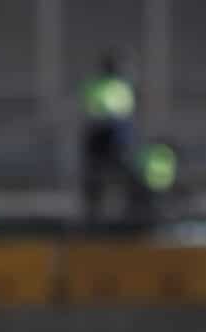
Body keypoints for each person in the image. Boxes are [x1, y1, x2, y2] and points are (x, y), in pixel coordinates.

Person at [80, 52, 139, 227]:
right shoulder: (107, 86)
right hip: (103, 137)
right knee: (96, 179)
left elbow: (124, 116)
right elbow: (93, 112)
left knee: (119, 178)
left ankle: (124, 213)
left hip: (112, 138)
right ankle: (95, 214)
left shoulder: (115, 87)